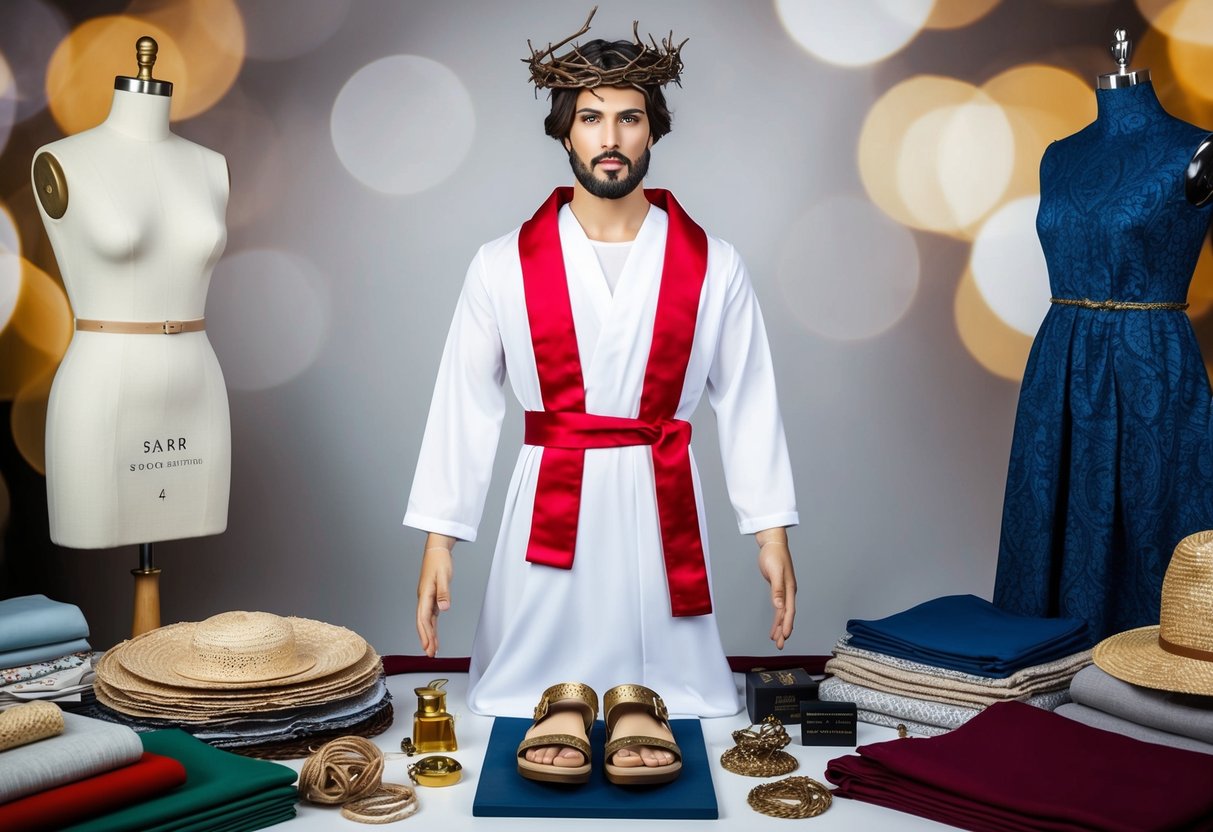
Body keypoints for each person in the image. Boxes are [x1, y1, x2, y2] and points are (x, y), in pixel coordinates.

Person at [405, 12, 798, 771]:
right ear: (564, 133)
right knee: (532, 676)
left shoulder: (713, 264)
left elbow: (748, 398)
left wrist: (770, 530)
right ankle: (557, 694)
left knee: (663, 674)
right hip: (548, 497)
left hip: (660, 492)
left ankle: (641, 698)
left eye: (628, 117)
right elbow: (463, 402)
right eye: (590, 119)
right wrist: (438, 537)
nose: (610, 137)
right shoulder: (499, 265)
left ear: (653, 132)